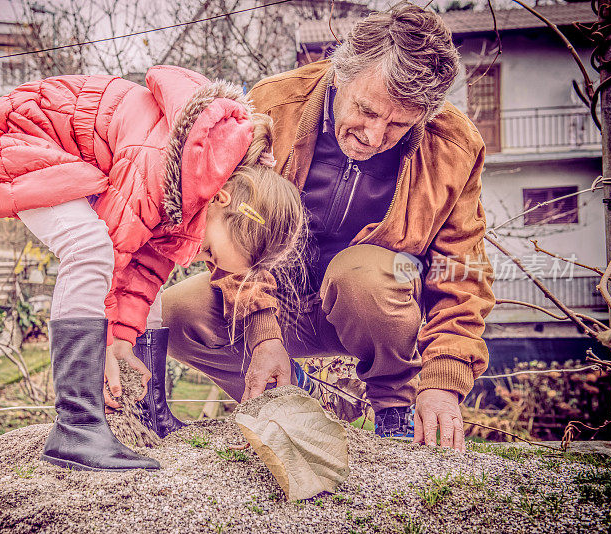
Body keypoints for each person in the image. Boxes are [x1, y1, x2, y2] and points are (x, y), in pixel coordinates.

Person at [162, 3, 495, 453]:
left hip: (377, 308)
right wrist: (263, 333)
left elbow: (463, 271)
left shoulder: (453, 146)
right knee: (178, 312)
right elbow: (234, 229)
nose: (374, 137)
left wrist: (443, 381)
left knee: (362, 276)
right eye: (366, 110)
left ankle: (393, 409)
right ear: (340, 74)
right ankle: (289, 392)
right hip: (278, 300)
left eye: (398, 125)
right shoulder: (273, 105)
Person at [0, 66, 306, 471]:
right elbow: (114, 250)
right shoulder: (163, 163)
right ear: (222, 201)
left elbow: (145, 274)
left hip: (74, 150)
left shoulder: (195, 197)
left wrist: (124, 342)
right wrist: (106, 345)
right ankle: (76, 426)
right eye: (213, 253)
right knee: (90, 249)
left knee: (147, 287)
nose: (205, 260)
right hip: (25, 132)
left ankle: (149, 409)